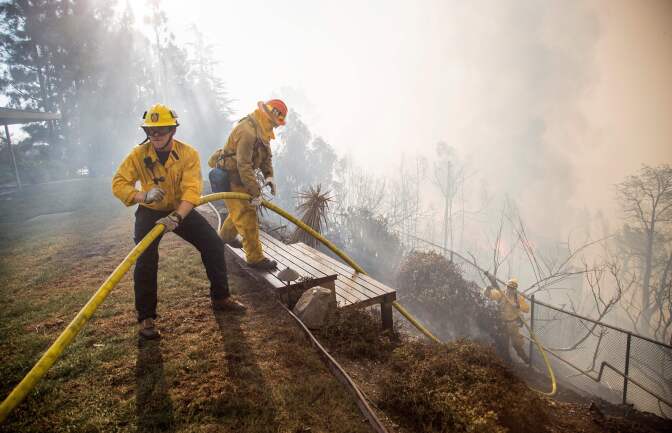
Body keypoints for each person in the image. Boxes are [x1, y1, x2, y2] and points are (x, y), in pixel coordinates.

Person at [112, 103, 244, 339]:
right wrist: (143, 195)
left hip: (179, 210)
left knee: (213, 244)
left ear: (173, 130)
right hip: (149, 212)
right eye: (151, 131)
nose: (156, 135)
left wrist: (177, 217)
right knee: (145, 260)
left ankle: (221, 298)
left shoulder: (188, 154)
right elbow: (119, 183)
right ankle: (146, 319)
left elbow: (192, 191)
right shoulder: (137, 156)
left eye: (161, 130)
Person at [208, 99, 287, 271]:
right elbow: (243, 165)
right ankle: (255, 258)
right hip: (231, 177)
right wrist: (256, 193)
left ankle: (225, 236)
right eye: (274, 124)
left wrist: (269, 176)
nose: (274, 128)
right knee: (248, 215)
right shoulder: (247, 132)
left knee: (240, 211)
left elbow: (266, 156)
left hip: (242, 177)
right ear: (268, 117)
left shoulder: (261, 129)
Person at [485, 278, 530, 364]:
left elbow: (527, 309)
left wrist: (517, 305)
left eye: (512, 288)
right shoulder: (501, 294)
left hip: (513, 325)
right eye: (509, 287)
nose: (510, 290)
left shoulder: (518, 298)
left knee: (517, 344)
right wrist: (488, 289)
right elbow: (489, 295)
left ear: (515, 289)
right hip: (503, 324)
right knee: (504, 344)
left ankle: (525, 359)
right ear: (506, 287)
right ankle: (507, 361)